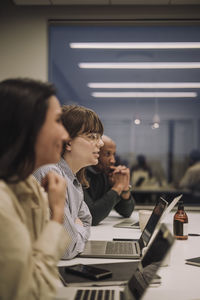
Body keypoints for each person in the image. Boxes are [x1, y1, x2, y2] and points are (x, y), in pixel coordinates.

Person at [0, 78, 71, 300]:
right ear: (28, 127)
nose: (65, 135)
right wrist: (57, 215)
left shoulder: (27, 184)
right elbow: (33, 293)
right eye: (58, 121)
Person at [34, 105, 104, 259]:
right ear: (68, 141)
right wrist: (76, 227)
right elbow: (67, 249)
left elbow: (86, 220)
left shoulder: (73, 179)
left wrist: (76, 228)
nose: (101, 144)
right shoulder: (50, 174)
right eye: (92, 137)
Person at [84, 135, 135, 226]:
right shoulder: (80, 175)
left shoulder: (105, 174)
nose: (113, 160)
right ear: (94, 152)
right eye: (107, 154)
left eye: (114, 154)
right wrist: (118, 187)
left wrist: (125, 187)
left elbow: (126, 212)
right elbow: (92, 216)